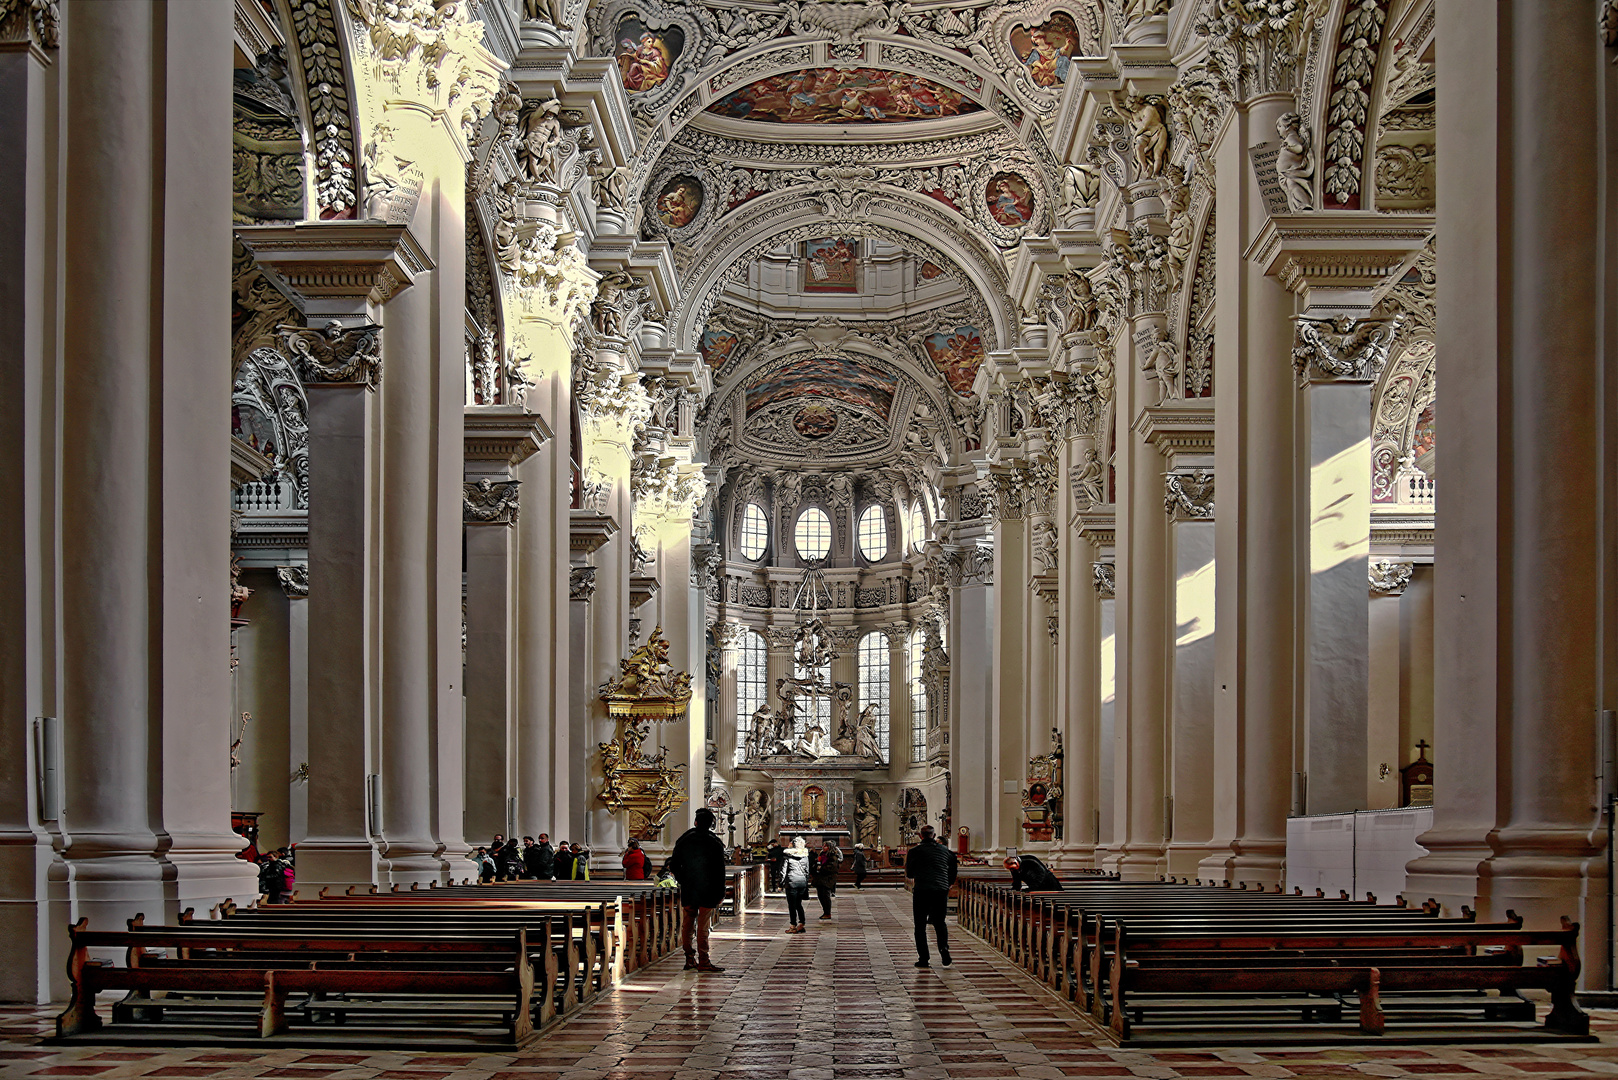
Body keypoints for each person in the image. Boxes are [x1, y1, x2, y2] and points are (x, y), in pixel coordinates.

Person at [668, 808, 729, 972]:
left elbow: (673, 865)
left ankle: (689, 959)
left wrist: (683, 879)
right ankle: (704, 960)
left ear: (696, 822)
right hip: (709, 890)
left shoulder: (685, 839)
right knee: (703, 928)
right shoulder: (714, 842)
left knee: (687, 925)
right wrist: (721, 892)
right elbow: (720, 871)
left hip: (690, 889)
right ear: (711, 825)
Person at [906, 825, 957, 968]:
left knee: (920, 925)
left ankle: (924, 958)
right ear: (934, 836)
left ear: (920, 836)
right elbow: (953, 870)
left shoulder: (915, 851)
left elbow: (909, 873)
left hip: (922, 889)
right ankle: (944, 949)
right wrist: (948, 883)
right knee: (940, 923)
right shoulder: (946, 851)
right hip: (940, 890)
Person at [781, 835, 811, 934]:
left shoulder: (788, 856)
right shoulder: (805, 857)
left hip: (792, 883)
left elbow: (783, 872)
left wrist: (780, 883)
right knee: (799, 904)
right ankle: (802, 924)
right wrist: (805, 883)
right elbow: (807, 871)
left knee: (792, 905)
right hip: (802, 883)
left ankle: (793, 926)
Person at [811, 836, 842, 920]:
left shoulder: (833, 856)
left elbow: (832, 868)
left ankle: (827, 912)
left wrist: (821, 868)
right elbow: (817, 863)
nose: (823, 847)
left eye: (825, 846)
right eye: (823, 845)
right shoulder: (822, 854)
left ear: (829, 847)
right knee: (820, 895)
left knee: (825, 896)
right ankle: (825, 911)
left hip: (827, 878)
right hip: (820, 878)